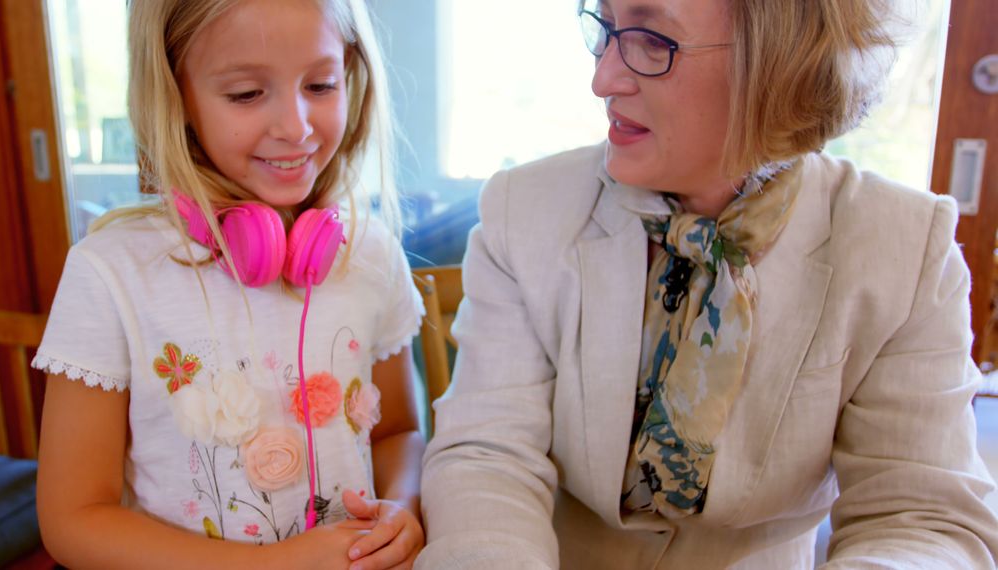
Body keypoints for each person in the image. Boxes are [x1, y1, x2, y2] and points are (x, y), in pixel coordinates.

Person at [419, 0, 998, 568]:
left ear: (780, 63)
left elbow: (920, 518)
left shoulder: (903, 249)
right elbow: (489, 455)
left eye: (652, 42)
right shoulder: (525, 209)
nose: (602, 78)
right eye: (607, 27)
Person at [33, 1, 426, 568]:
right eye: (245, 94)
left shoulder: (371, 255)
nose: (295, 127)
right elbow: (73, 520)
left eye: (320, 84)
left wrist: (401, 507)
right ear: (176, 95)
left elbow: (397, 433)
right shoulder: (111, 273)